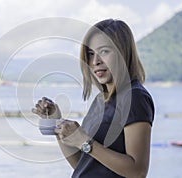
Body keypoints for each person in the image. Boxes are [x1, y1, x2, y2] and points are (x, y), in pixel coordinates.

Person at [32, 19, 155, 178]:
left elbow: (137, 171)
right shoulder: (101, 100)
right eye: (90, 54)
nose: (95, 61)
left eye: (104, 51)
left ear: (123, 52)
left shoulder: (135, 97)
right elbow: (83, 165)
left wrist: (84, 141)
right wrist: (58, 124)